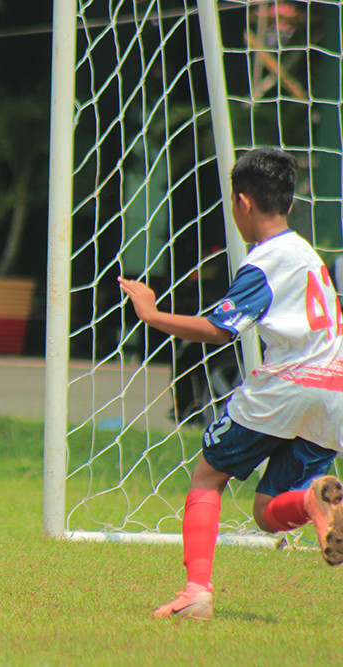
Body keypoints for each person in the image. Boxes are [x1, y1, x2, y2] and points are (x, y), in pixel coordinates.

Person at [119, 147, 343, 621]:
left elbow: (221, 330)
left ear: (242, 203)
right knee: (267, 512)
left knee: (208, 475)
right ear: (288, 201)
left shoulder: (266, 261)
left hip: (286, 386)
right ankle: (312, 499)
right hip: (334, 391)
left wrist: (151, 314)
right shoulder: (309, 256)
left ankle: (196, 594)